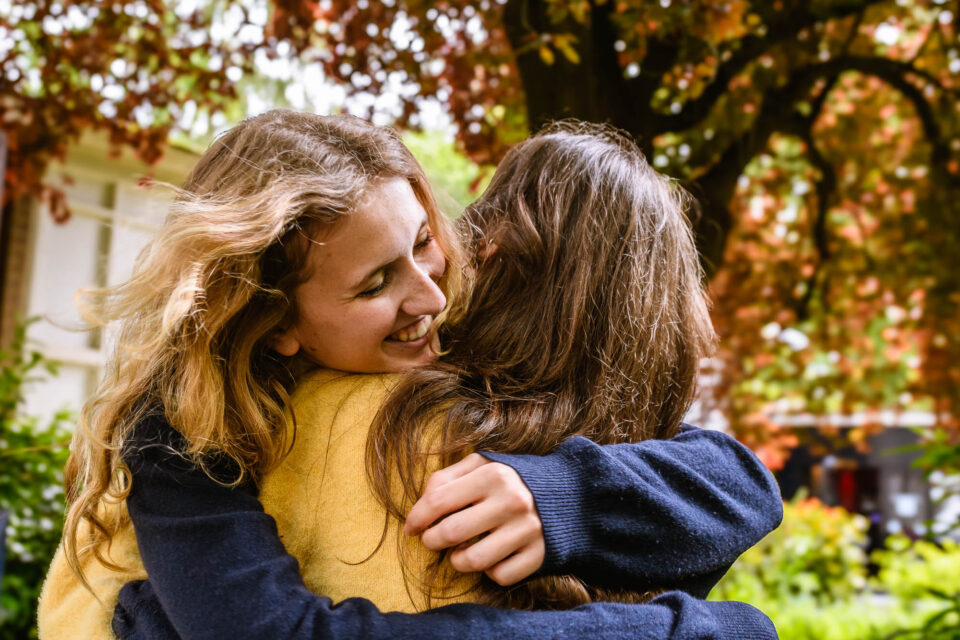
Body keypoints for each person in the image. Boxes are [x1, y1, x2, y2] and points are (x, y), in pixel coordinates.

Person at [38, 111, 780, 640]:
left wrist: (561, 498)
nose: (429, 295)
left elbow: (738, 481)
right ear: (278, 324)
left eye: (426, 240)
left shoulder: (432, 335)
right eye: (373, 284)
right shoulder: (179, 434)